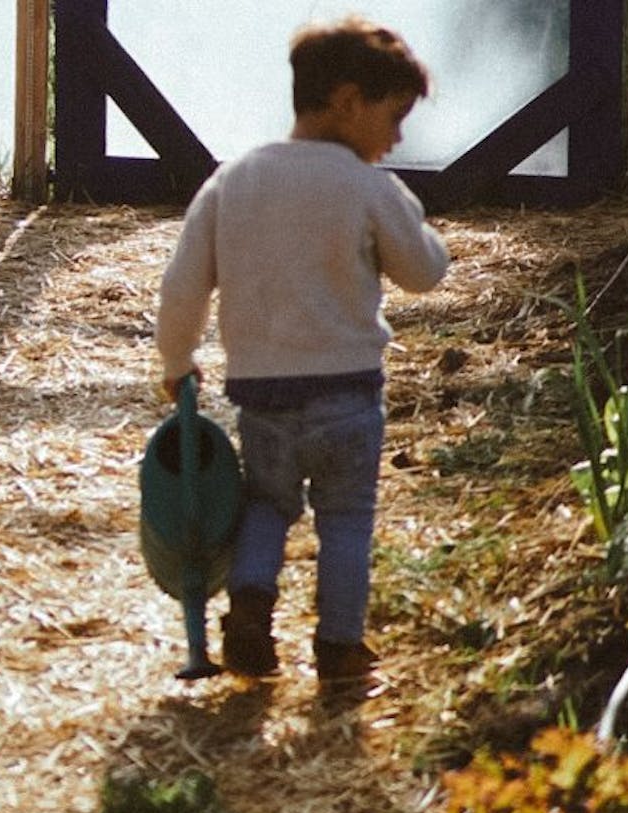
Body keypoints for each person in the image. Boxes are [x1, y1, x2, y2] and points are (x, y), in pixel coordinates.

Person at [155, 17, 448, 684]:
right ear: (347, 101)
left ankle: (251, 611)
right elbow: (422, 272)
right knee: (346, 519)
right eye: (395, 116)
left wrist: (176, 364)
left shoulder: (233, 181)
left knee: (267, 503)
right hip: (348, 394)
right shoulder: (369, 187)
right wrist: (430, 237)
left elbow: (181, 289)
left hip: (264, 396)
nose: (398, 136)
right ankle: (340, 648)